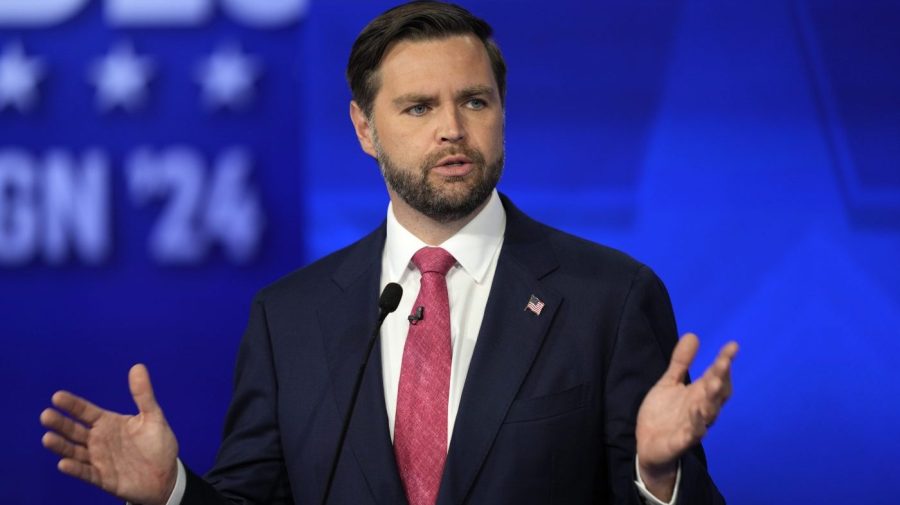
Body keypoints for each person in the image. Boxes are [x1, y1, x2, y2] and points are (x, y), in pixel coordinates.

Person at [40, 2, 738, 504]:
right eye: (418, 108)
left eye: (475, 101)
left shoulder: (608, 298)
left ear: (502, 111)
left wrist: (657, 477)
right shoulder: (291, 319)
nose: (452, 130)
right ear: (364, 127)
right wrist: (174, 491)